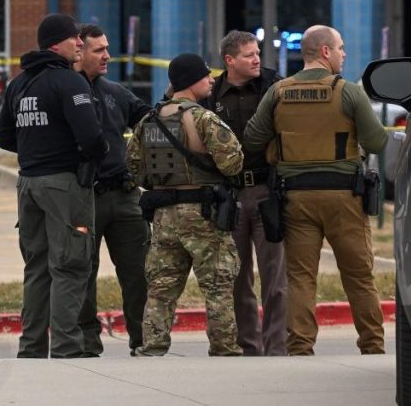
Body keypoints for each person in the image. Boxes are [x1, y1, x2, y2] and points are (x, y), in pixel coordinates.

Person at [243, 25, 388, 356]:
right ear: (325, 52)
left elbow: (252, 139)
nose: (344, 54)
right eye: (340, 48)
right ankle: (372, 345)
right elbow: (377, 141)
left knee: (300, 278)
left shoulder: (279, 92)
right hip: (344, 199)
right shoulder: (348, 92)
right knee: (359, 276)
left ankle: (300, 347)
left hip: (295, 200)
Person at [0, 12, 108, 359]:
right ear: (56, 43)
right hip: (63, 184)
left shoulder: (18, 83)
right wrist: (92, 152)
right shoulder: (69, 82)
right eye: (75, 38)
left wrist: (37, 149)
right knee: (71, 266)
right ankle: (66, 348)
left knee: (37, 267)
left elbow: (5, 138)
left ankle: (31, 348)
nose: (81, 42)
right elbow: (91, 138)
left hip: (27, 183)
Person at [127, 53, 244, 357]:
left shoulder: (148, 121)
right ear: (193, 81)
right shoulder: (204, 119)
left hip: (164, 216)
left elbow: (135, 169)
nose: (212, 80)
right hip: (204, 216)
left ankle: (152, 346)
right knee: (218, 286)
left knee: (161, 289)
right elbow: (232, 164)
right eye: (206, 76)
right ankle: (224, 348)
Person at [199, 30, 287, 356]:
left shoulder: (272, 85)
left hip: (266, 190)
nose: (257, 59)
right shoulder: (212, 94)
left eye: (258, 52)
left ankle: (278, 349)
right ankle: (249, 347)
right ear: (229, 60)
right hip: (230, 195)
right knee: (237, 279)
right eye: (249, 54)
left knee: (275, 279)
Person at [74, 24, 152, 356]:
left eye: (107, 48)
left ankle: (144, 339)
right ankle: (87, 343)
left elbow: (152, 121)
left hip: (124, 196)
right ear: (79, 53)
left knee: (138, 272)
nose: (107, 55)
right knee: (81, 275)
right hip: (83, 197)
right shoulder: (64, 92)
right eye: (98, 50)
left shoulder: (116, 92)